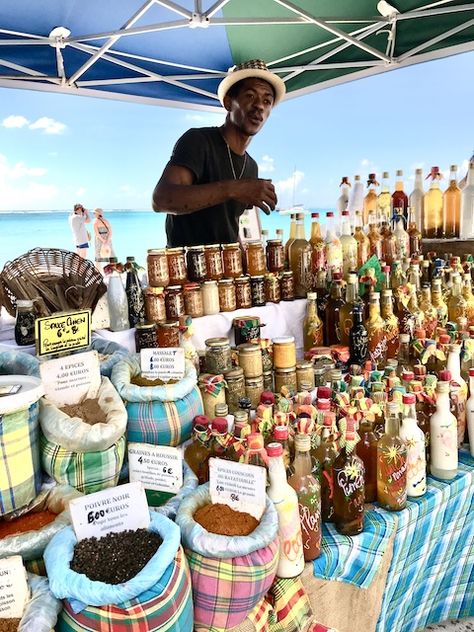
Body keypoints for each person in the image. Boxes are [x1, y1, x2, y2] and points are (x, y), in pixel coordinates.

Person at [152, 59, 286, 247]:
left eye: (267, 101)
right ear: (228, 102)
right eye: (250, 96)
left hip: (226, 273)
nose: (259, 106)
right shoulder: (198, 141)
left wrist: (244, 258)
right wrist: (234, 189)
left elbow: (229, 225)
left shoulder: (251, 166)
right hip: (185, 271)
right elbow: (161, 200)